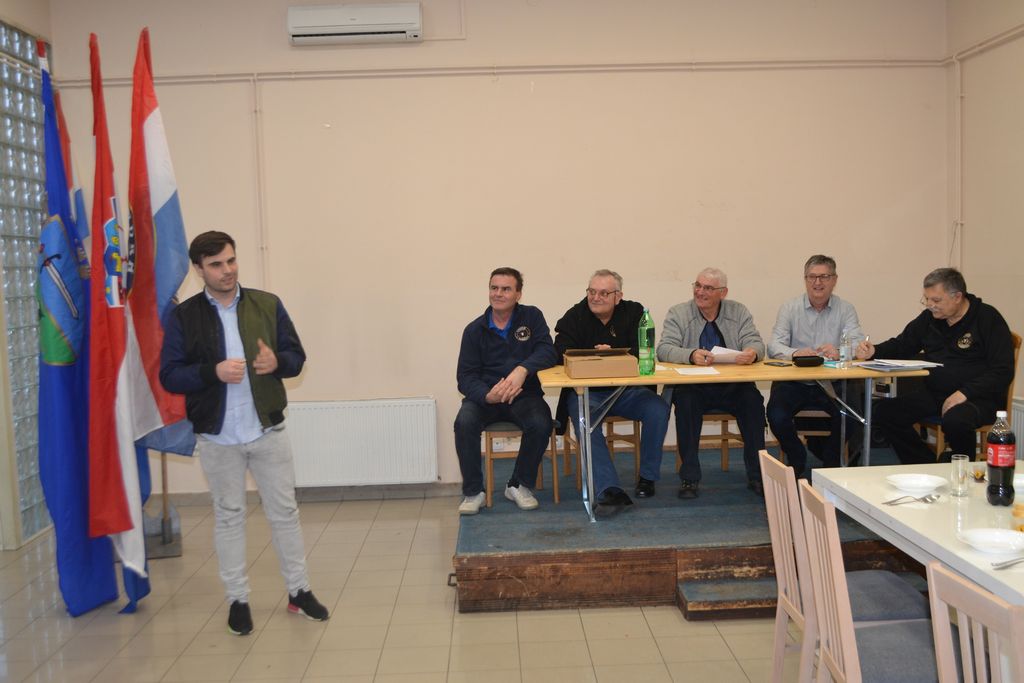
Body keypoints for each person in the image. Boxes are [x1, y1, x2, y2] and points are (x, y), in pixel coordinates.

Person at [160, 231, 328, 636]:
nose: (227, 270)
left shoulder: (267, 304)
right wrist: (212, 372)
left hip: (267, 430)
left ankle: (299, 591)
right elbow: (170, 375)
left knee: (285, 513)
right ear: (199, 269)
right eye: (216, 264)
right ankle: (238, 599)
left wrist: (278, 363)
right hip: (217, 437)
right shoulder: (184, 317)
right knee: (229, 517)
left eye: (231, 260)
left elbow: (296, 358)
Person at [857, 267, 1014, 464]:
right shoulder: (929, 319)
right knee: (884, 412)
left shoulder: (988, 319)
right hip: (936, 394)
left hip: (978, 398)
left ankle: (962, 468)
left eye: (936, 300)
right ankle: (926, 465)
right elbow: (903, 344)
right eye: (927, 299)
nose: (930, 305)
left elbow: (1003, 371)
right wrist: (874, 351)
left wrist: (964, 393)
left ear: (957, 297)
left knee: (956, 419)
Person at [553, 270, 670, 516]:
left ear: (618, 296)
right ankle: (609, 490)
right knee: (585, 420)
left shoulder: (635, 313)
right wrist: (596, 356)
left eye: (604, 293)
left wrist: (616, 353)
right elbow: (560, 350)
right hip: (588, 393)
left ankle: (647, 477)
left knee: (658, 408)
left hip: (627, 391)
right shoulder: (575, 315)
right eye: (592, 292)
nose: (596, 298)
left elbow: (645, 350)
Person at [454, 267, 558, 515]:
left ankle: (518, 485)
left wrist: (522, 370)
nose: (498, 294)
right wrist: (487, 395)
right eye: (494, 288)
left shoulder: (532, 317)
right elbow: (465, 377)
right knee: (464, 423)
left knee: (541, 423)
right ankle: (474, 492)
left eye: (506, 289)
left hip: (524, 395)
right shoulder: (474, 330)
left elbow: (548, 351)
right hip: (486, 398)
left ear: (518, 294)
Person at [657, 268, 767, 498]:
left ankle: (758, 475)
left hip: (733, 385)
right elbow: (664, 348)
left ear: (723, 292)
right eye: (697, 285)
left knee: (753, 402)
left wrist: (752, 352)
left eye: (708, 288)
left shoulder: (738, 311)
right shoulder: (678, 312)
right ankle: (689, 478)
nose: (700, 292)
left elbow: (756, 342)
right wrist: (690, 355)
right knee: (686, 403)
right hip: (694, 386)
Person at [766, 255, 865, 476]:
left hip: (832, 382)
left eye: (824, 277)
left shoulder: (846, 309)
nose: (817, 282)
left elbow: (858, 343)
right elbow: (773, 346)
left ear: (834, 280)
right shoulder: (789, 308)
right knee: (776, 415)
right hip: (795, 382)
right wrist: (795, 353)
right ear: (805, 279)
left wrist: (839, 351)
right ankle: (797, 456)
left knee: (851, 416)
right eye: (812, 277)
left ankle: (830, 464)